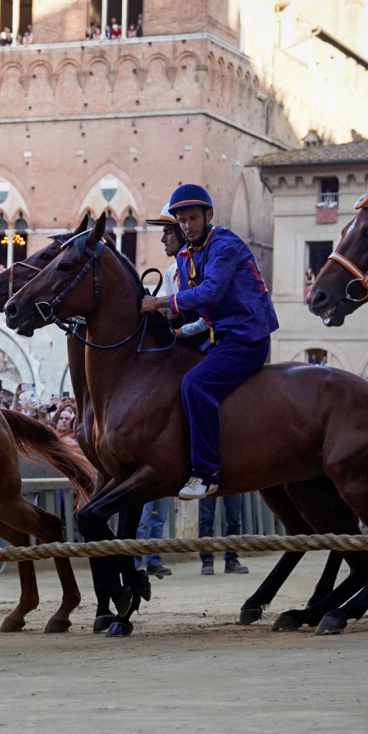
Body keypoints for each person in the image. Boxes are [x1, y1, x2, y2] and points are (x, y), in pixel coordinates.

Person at [140, 183, 278, 500]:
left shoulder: (224, 245)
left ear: (208, 215)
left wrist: (162, 304)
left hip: (247, 338)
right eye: (183, 220)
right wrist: (172, 318)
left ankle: (205, 473)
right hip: (219, 339)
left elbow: (210, 292)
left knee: (195, 384)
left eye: (192, 218)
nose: (187, 226)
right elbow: (199, 307)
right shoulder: (188, 255)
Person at [197, 493, 247, 574]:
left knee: (234, 520)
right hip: (209, 481)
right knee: (206, 519)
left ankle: (231, 559)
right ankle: (207, 561)